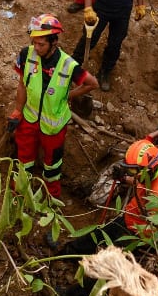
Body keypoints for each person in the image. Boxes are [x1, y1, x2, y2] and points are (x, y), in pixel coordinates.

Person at [56, 140, 158, 296]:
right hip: (131, 218)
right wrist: (125, 178)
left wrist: (133, 245)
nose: (132, 173)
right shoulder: (157, 169)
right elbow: (142, 183)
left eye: (134, 170)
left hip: (137, 235)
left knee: (106, 267)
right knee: (97, 235)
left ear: (147, 169)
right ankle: (68, 253)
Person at [7, 14, 98, 198]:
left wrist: (68, 95)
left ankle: (51, 201)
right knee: (23, 160)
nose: (36, 47)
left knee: (52, 168)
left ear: (54, 42)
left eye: (41, 44)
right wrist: (18, 110)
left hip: (54, 126)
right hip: (29, 118)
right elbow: (22, 84)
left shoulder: (67, 64)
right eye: (35, 42)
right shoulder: (26, 54)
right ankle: (19, 194)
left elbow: (92, 83)